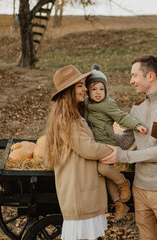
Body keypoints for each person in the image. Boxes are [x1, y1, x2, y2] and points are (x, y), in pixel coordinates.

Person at [100, 55, 157, 240]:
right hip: (140, 188)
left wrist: (122, 156)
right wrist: (97, 134)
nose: (131, 81)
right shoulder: (137, 107)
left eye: (134, 76)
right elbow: (125, 141)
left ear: (151, 76)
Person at [45, 65, 113, 240]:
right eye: (80, 85)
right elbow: (89, 148)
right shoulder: (66, 120)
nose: (85, 89)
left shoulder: (72, 114)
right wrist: (115, 150)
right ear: (69, 91)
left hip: (84, 191)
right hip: (80, 194)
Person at [84, 64, 147, 221]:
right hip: (93, 145)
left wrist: (136, 125)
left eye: (101, 89)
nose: (98, 93)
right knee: (105, 176)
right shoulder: (85, 104)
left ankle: (123, 182)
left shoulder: (108, 104)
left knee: (103, 168)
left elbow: (121, 117)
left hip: (106, 144)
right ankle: (119, 204)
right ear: (87, 91)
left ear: (105, 90)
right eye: (94, 89)